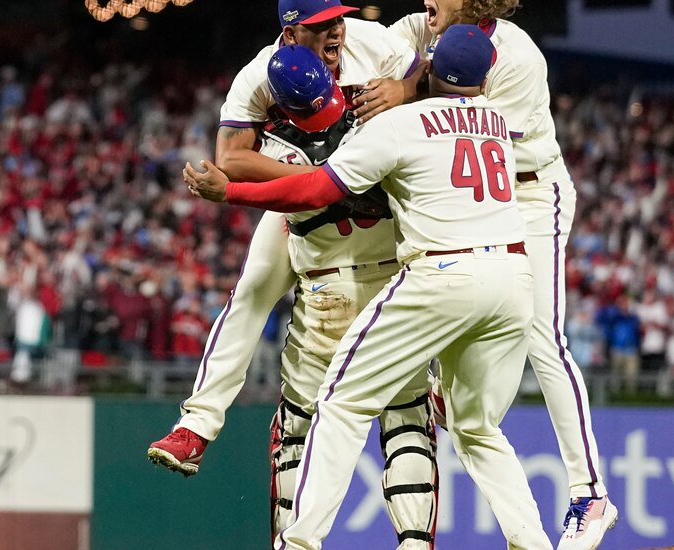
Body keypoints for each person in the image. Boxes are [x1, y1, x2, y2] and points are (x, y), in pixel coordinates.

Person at [185, 25, 551, 550]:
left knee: (338, 401)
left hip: (443, 277)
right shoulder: (497, 120)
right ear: (484, 75)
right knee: (478, 429)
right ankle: (532, 543)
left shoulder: (403, 124)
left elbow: (315, 187)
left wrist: (234, 192)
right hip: (514, 283)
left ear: (430, 72)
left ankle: (300, 541)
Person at [154, 46, 439, 548]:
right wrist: (406, 86)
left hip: (323, 282)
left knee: (294, 425)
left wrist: (246, 187)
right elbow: (425, 52)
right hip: (392, 279)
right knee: (407, 416)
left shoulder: (276, 143)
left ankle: (197, 430)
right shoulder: (382, 116)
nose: (335, 32)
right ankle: (416, 541)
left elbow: (261, 174)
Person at [387, 2, 617, 547]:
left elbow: (464, 136)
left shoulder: (517, 58)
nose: (425, 2)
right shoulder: (420, 28)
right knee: (452, 292)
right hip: (477, 194)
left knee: (543, 336)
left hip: (533, 192)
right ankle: (447, 387)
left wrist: (402, 92)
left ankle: (591, 493)